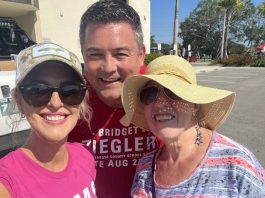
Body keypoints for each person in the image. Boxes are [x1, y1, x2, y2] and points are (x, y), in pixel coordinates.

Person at [121, 55, 265, 197]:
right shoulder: (144, 167)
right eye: (149, 94)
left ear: (194, 104)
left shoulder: (236, 164)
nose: (160, 103)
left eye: (172, 92)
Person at [68, 0, 159, 197]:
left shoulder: (164, 92)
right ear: (83, 54)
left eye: (120, 54)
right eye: (94, 54)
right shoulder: (67, 101)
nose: (108, 67)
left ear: (141, 54)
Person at [0, 42, 97, 198]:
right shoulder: (7, 180)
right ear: (20, 101)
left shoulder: (85, 157)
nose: (56, 103)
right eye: (38, 90)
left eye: (70, 90)